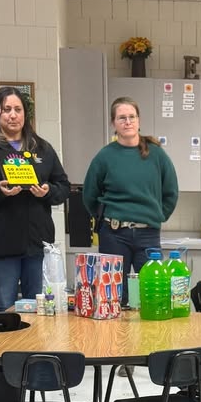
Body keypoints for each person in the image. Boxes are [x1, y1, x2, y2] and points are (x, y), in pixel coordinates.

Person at [0, 87, 70, 311]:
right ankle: (5, 348)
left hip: (37, 244)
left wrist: (47, 192)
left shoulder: (43, 148)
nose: (12, 115)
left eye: (17, 109)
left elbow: (63, 186)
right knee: (5, 307)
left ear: (25, 114)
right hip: (1, 245)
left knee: (40, 309)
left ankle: (35, 349)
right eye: (6, 109)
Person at [82, 97, 179, 303]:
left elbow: (171, 191)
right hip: (114, 234)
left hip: (148, 234)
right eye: (122, 118)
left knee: (153, 292)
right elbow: (89, 195)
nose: (127, 122)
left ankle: (151, 335)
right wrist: (106, 217)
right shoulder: (105, 157)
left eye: (132, 117)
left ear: (139, 120)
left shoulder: (156, 155)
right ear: (113, 123)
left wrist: (158, 216)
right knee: (115, 296)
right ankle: (116, 335)